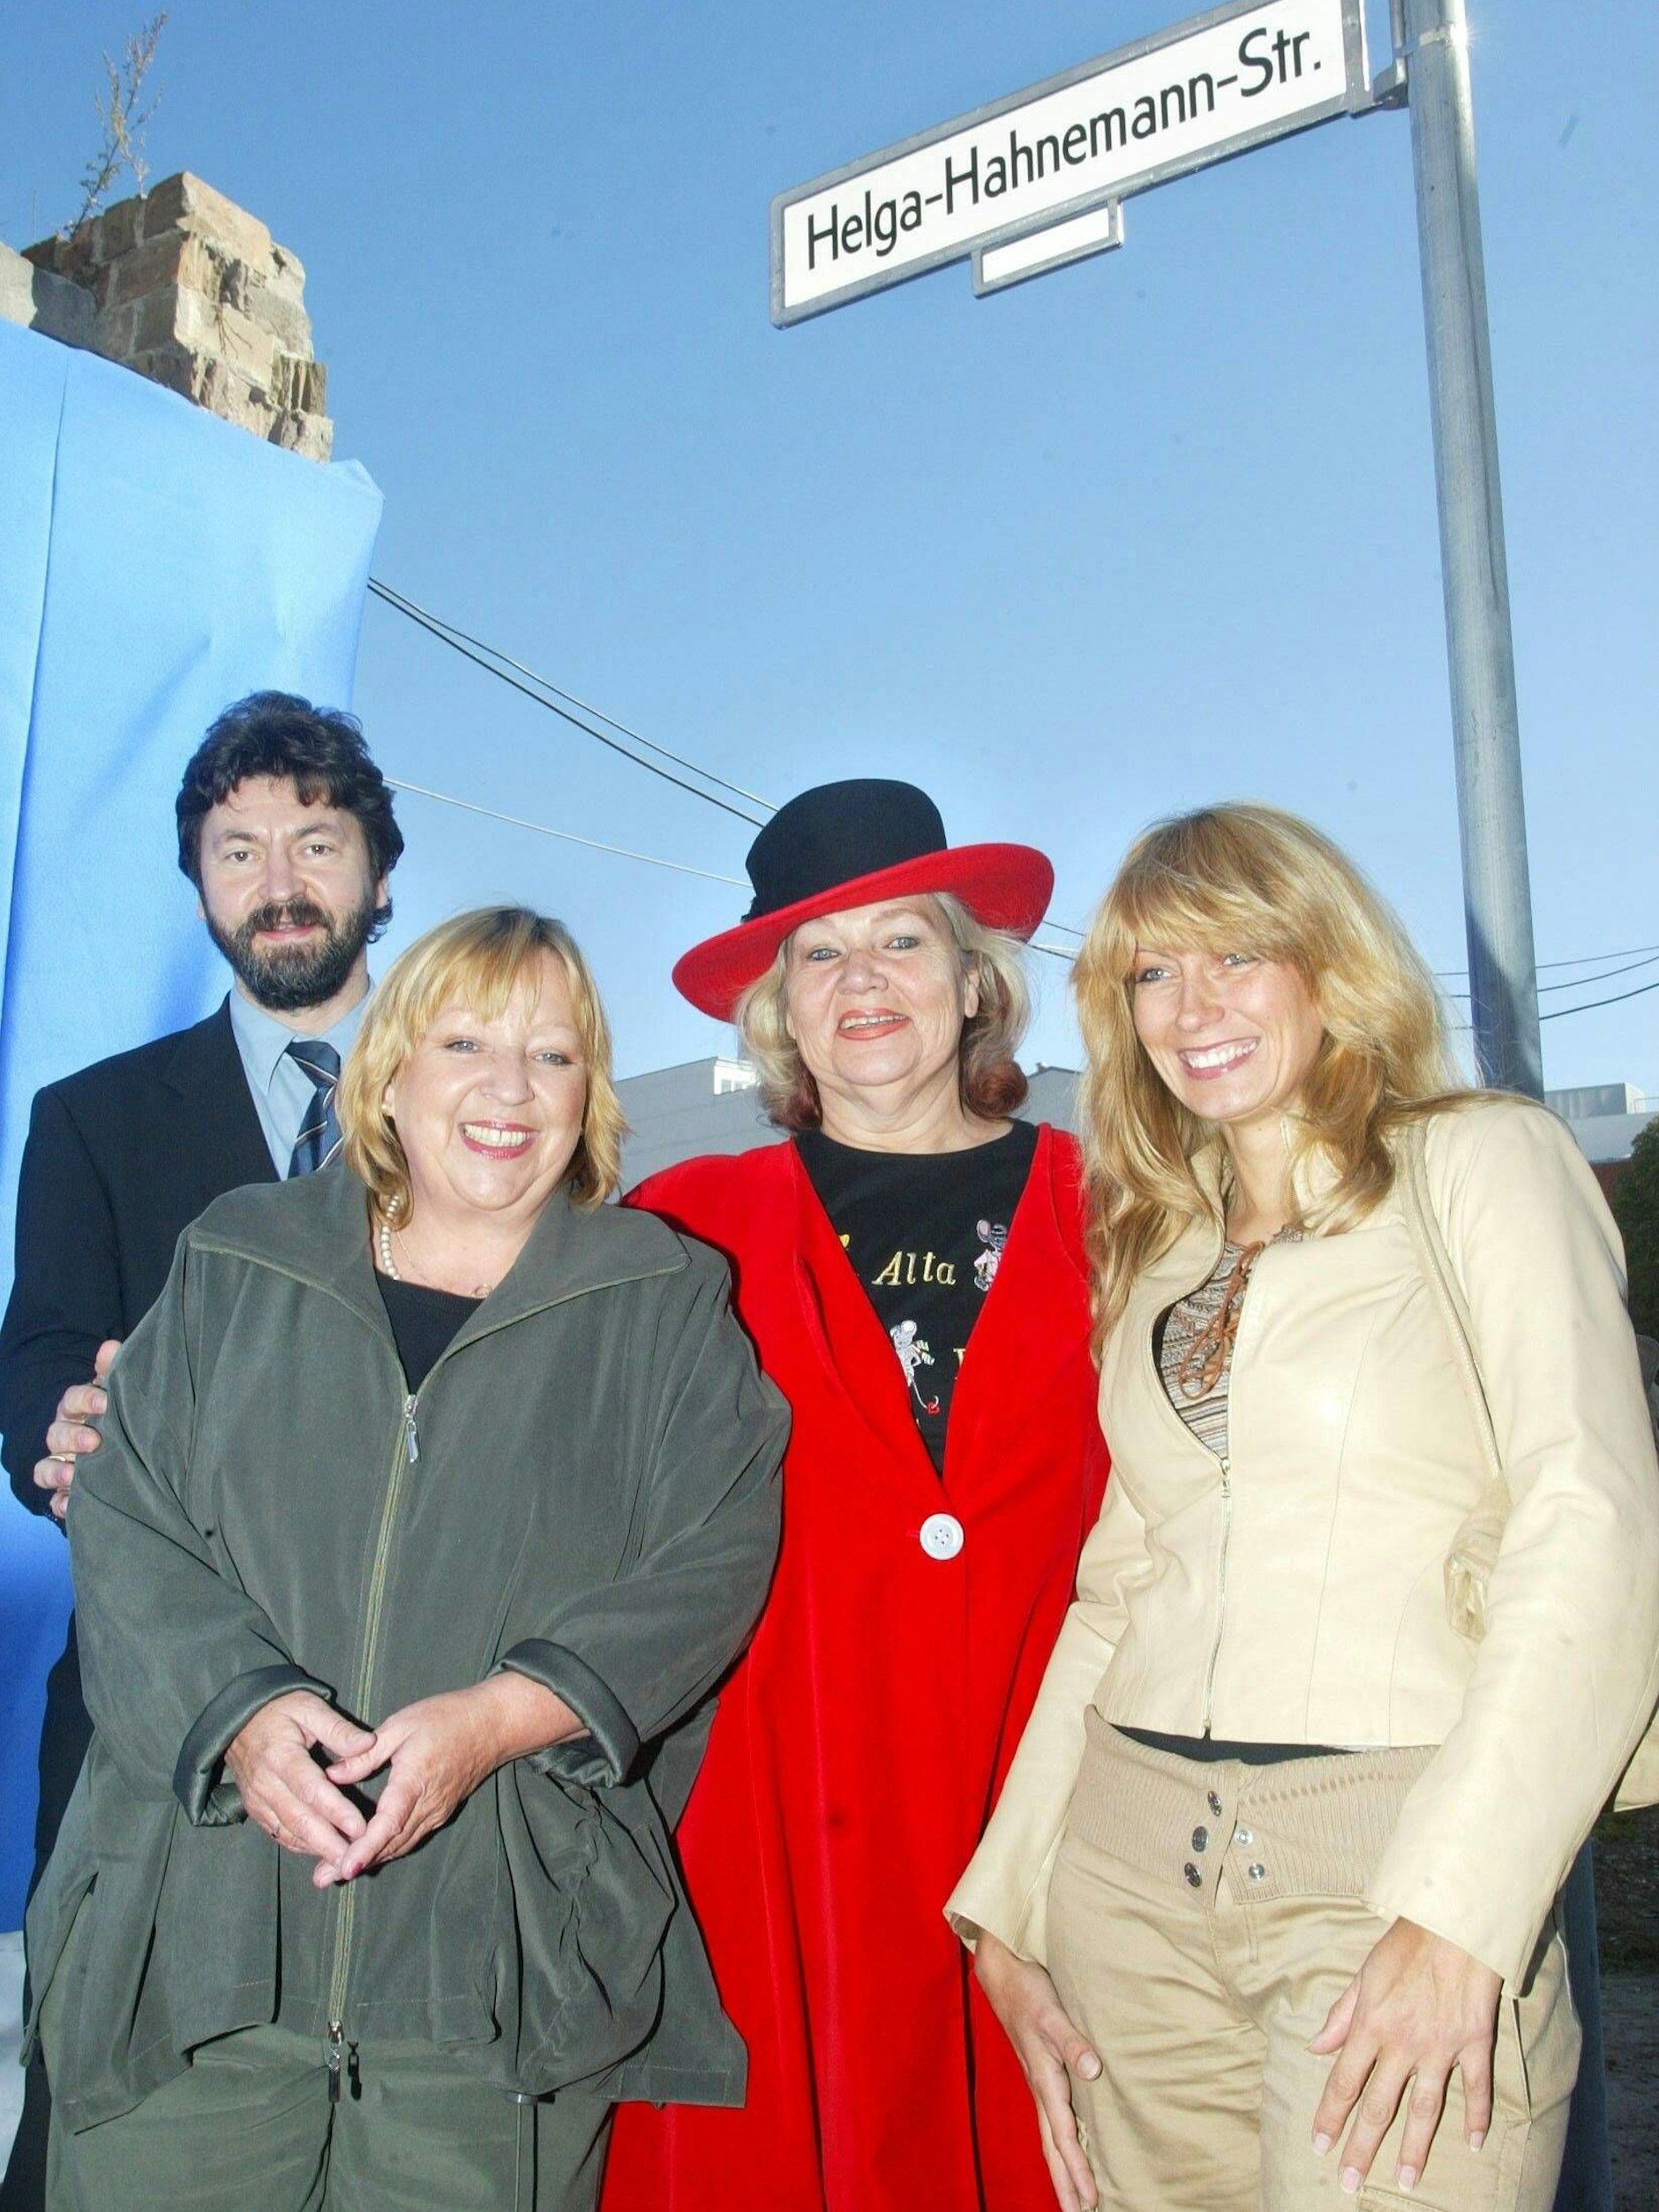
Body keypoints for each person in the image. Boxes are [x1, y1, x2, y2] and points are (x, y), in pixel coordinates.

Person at [947, 803, 1659, 2212]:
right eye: (1153, 972)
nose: (1192, 1005)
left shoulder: (1481, 1162)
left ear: (1330, 963)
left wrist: (1460, 1913)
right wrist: (1007, 1909)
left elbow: (1591, 1521)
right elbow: (1124, 1580)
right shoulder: (1157, 1242)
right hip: (1128, 1896)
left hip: (1389, 1875)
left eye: (1238, 955)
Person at [24, 906, 787, 2211]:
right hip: (199, 1957)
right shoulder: (238, 1257)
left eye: (553, 1056)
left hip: (493, 1983)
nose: (508, 1088)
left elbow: (710, 1554)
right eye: (467, 1041)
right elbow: (127, 1513)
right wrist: (248, 1715)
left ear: (589, 1091)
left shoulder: (661, 1300)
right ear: (390, 1072)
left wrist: (500, 1717)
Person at [601, 779, 1109, 2212]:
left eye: (901, 940)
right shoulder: (682, 1225)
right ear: (780, 1010)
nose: (861, 980)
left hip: (1049, 1808)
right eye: (819, 954)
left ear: (972, 981)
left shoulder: (1118, 1206)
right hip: (779, 1816)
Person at [0, 689, 403, 2210]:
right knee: (104, 2096)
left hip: (406, 1706)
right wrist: (60, 1424)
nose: (280, 879)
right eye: (238, 849)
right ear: (199, 887)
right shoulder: (94, 1119)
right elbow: (38, 1345)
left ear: (378, 866)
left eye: (315, 838)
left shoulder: (485, 1100)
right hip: (145, 1719)